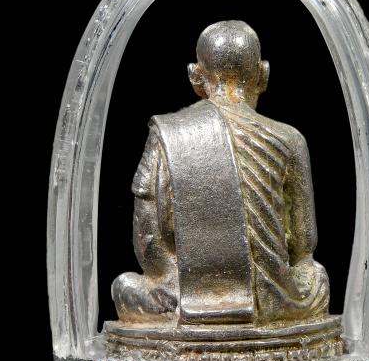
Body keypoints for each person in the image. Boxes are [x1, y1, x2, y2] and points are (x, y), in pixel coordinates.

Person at [112, 21, 330, 326]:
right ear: (263, 73)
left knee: (124, 286)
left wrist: (177, 282)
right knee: (317, 276)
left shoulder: (167, 135)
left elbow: (147, 241)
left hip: (184, 299)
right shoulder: (290, 140)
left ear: (194, 75)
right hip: (275, 301)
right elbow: (304, 244)